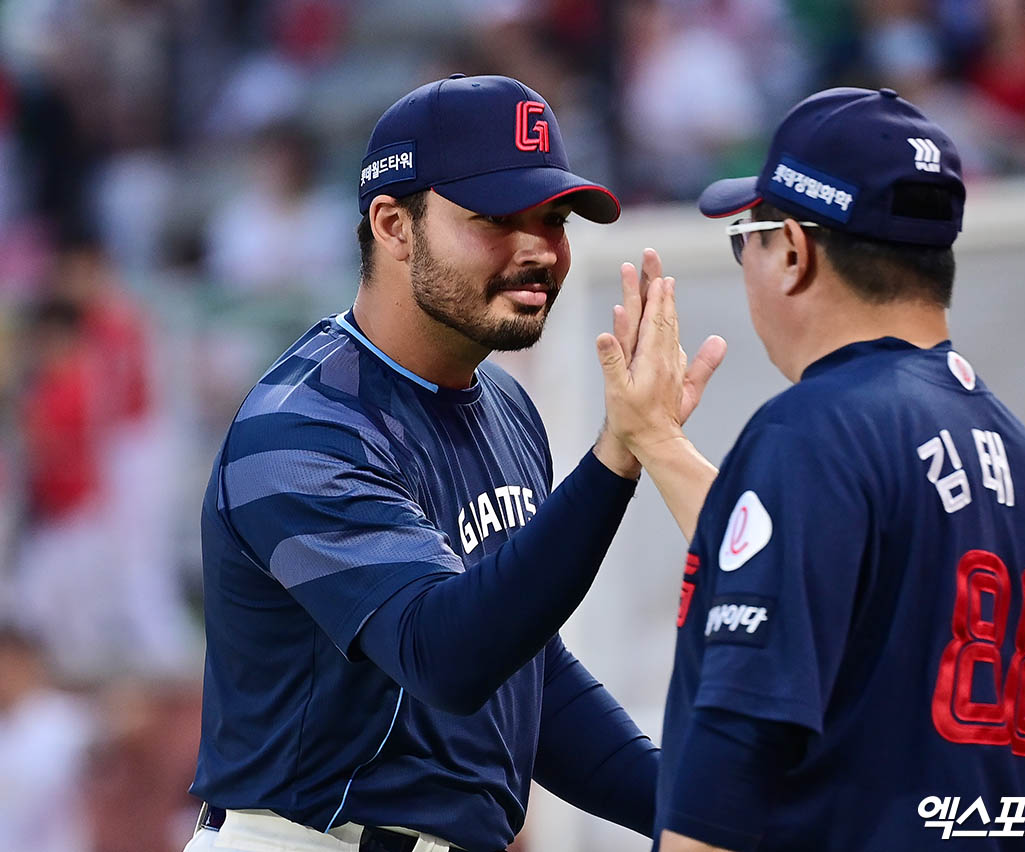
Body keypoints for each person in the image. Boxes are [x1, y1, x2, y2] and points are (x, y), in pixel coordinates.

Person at [186, 74, 725, 852]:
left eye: (554, 218)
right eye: (498, 218)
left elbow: (531, 680)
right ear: (393, 224)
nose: (540, 249)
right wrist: (619, 452)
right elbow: (445, 657)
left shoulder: (505, 407)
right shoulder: (297, 431)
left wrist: (703, 808)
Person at [597, 87, 1025, 851]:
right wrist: (655, 437)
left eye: (745, 236)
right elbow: (807, 570)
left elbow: (732, 771)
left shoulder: (810, 432)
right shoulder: (1014, 449)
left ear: (793, 250)